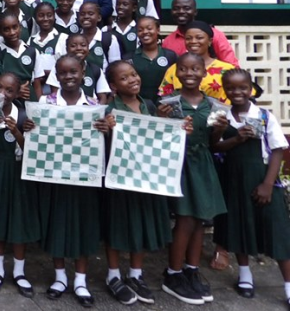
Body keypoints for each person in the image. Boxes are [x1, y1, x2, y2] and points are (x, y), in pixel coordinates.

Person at [27, 55, 112, 308]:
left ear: (83, 71)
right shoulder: (46, 102)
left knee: (83, 227)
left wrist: (106, 132)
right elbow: (37, 137)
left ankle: (81, 281)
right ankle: (60, 278)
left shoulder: (95, 106)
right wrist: (31, 126)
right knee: (58, 225)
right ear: (56, 75)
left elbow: (103, 147)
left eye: (73, 71)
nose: (69, 77)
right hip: (55, 177)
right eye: (63, 73)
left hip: (84, 179)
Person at [213, 69, 290, 304]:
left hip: (262, 178)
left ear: (251, 88)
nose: (237, 92)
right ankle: (245, 275)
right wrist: (235, 137)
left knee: (277, 230)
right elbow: (215, 147)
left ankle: (288, 286)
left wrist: (268, 184)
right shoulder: (222, 117)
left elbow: (277, 149)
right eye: (231, 88)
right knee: (239, 226)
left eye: (243, 87)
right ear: (224, 90)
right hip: (233, 179)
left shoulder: (265, 116)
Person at [102, 61, 175, 305]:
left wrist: (167, 124)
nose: (132, 80)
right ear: (113, 86)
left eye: (133, 74)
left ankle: (135, 274)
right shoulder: (110, 110)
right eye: (124, 78)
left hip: (145, 179)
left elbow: (157, 141)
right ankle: (113, 276)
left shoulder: (150, 105)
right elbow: (103, 148)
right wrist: (108, 131)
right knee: (117, 226)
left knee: (140, 225)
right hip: (119, 181)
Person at [159, 53, 227, 306]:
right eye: (184, 69)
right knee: (186, 220)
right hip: (181, 165)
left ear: (203, 72)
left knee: (200, 220)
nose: (189, 73)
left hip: (203, 164)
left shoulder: (213, 105)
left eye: (195, 69)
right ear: (176, 73)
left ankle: (191, 269)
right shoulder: (169, 104)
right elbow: (159, 138)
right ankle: (173, 274)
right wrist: (166, 122)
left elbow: (214, 143)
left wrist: (219, 129)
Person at [0, 73, 39, 298]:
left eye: (9, 90)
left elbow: (30, 153)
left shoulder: (24, 116)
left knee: (18, 223)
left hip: (18, 175)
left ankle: (20, 272)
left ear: (16, 94)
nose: (2, 94)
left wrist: (16, 131)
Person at [158, 21, 237, 104]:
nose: (193, 41)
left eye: (199, 38)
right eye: (188, 38)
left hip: (220, 115)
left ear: (210, 41)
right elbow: (165, 99)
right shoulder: (175, 69)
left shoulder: (227, 70)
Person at [162, 0, 239, 67]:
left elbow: (231, 65)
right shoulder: (168, 41)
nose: (181, 11)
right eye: (176, 9)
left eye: (186, 8)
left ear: (195, 12)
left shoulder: (214, 34)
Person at [127, 16, 176, 102]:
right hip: (140, 106)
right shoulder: (129, 58)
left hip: (166, 105)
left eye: (149, 28)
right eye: (140, 30)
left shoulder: (170, 55)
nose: (145, 32)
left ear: (158, 30)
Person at [0, 10, 38, 100]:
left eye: (15, 27)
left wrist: (40, 104)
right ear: (0, 32)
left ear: (20, 27)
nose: (12, 32)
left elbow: (37, 82)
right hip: (6, 102)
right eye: (6, 29)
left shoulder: (32, 51)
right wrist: (16, 91)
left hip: (29, 99)